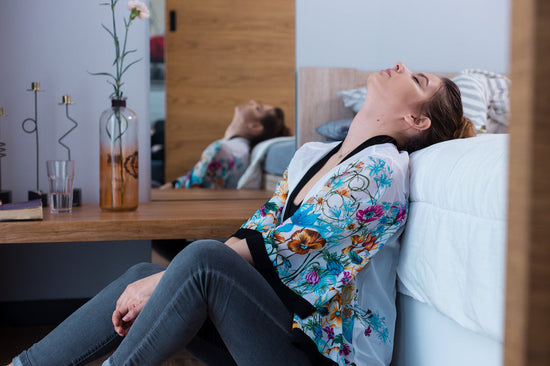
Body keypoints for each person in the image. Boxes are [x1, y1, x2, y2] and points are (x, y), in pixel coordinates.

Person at [8, 62, 475, 366]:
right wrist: (159, 281)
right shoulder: (316, 152)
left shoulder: (381, 170)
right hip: (282, 333)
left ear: (417, 121)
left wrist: (166, 282)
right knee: (145, 270)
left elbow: (282, 250)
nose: (401, 67)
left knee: (201, 260)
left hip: (323, 357)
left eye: (418, 80)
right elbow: (259, 226)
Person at [164, 100, 289, 189]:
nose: (252, 102)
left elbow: (193, 188)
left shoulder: (223, 149)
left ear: (255, 127)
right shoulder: (235, 148)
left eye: (258, 108)